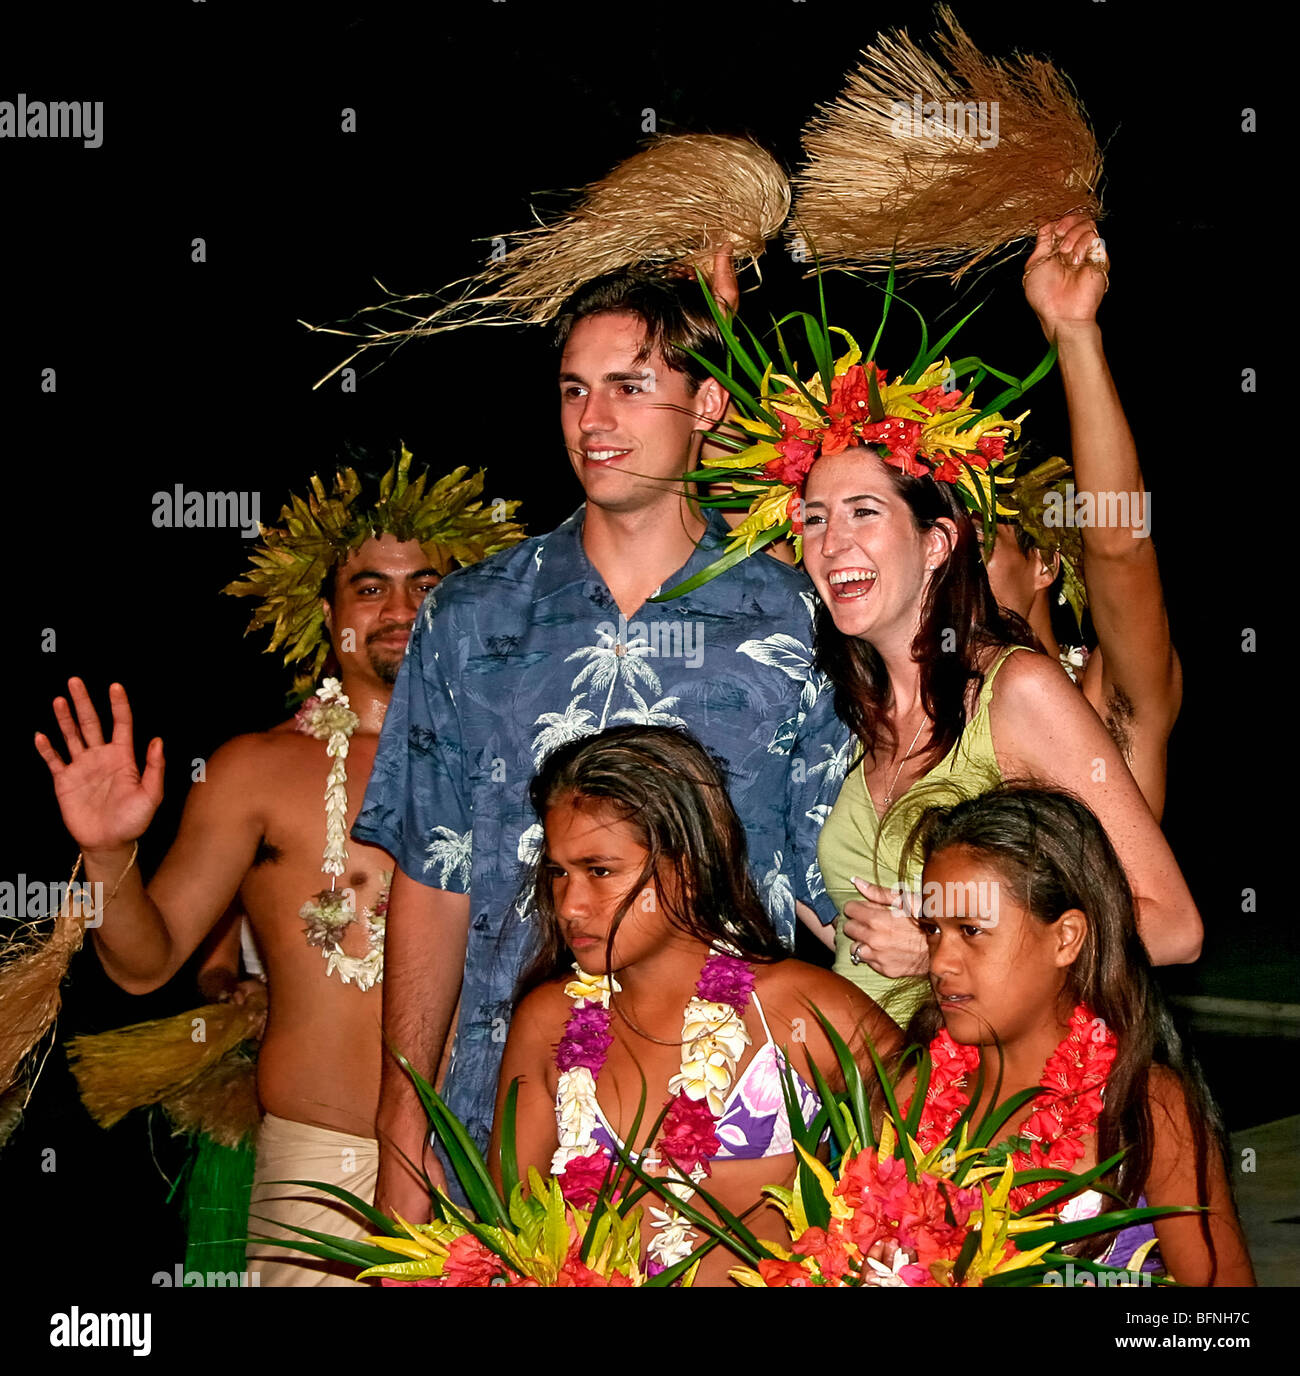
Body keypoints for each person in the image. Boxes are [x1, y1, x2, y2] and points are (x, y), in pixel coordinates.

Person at [353, 268, 849, 1225]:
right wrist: (402, 1131)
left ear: (708, 404)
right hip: (505, 1125)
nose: (593, 419)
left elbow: (826, 885)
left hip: (735, 1150)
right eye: (574, 390)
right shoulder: (468, 616)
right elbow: (433, 883)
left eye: (629, 386)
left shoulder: (792, 617)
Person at [33, 452, 523, 1285]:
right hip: (320, 1174)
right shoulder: (255, 770)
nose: (401, 608)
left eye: (428, 585)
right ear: (323, 611)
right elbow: (145, 965)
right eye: (370, 587)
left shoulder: (527, 761)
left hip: (493, 1164)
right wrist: (111, 852)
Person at [491, 725, 896, 1286]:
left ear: (686, 867)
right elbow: (512, 1238)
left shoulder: (801, 1009)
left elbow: (929, 1190)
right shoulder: (547, 1021)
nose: (571, 904)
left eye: (599, 871)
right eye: (559, 872)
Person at [891, 783, 1253, 1286]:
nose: (941, 962)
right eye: (932, 930)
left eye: (971, 931)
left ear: (1065, 938)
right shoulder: (911, 1094)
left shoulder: (1146, 1107)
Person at [981, 214, 1181, 819]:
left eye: (980, 539)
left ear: (1042, 562)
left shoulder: (1105, 700)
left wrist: (1074, 332)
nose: (945, 561)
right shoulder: (911, 715)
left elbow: (1120, 546)